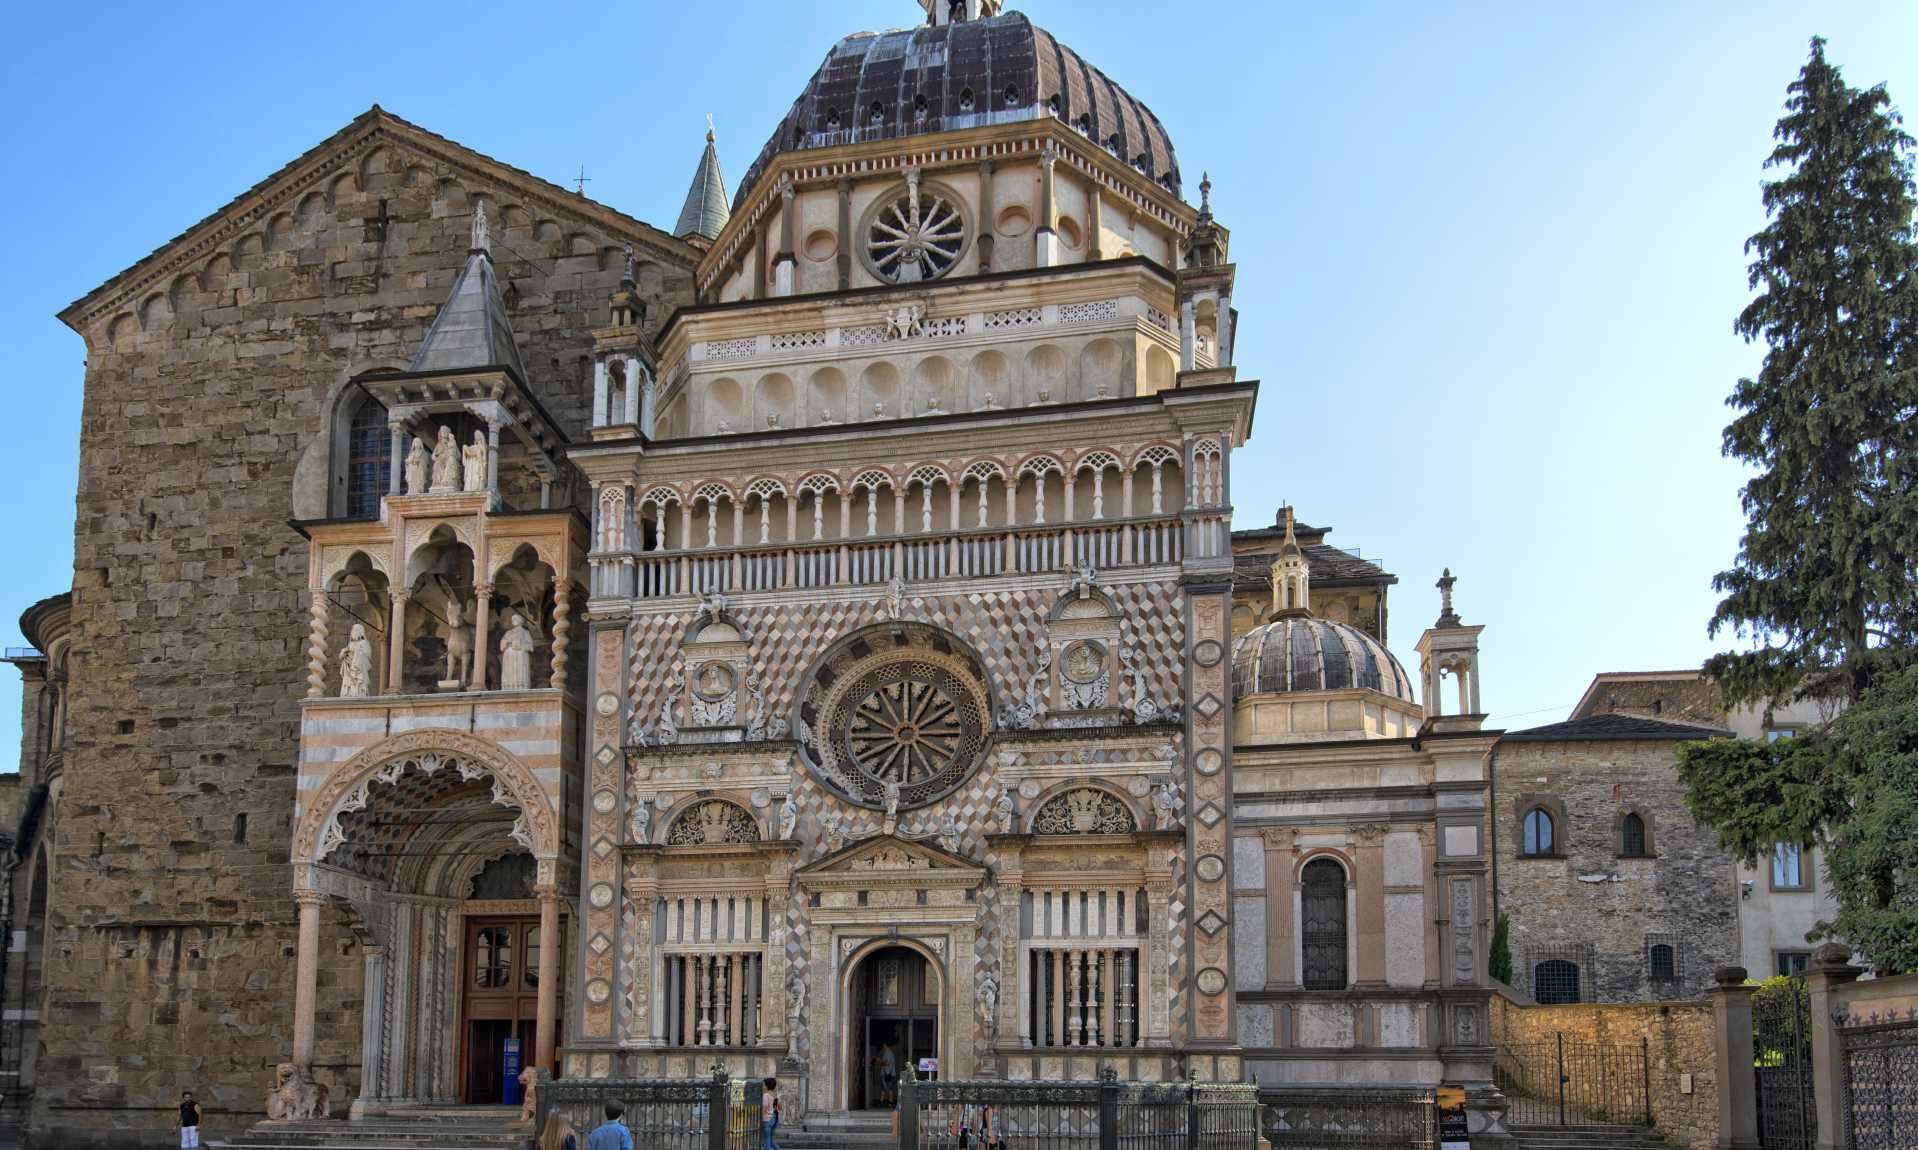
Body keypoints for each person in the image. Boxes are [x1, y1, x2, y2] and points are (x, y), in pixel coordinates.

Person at [761, 1077, 781, 1150]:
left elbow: (764, 1109)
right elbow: (779, 1108)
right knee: (771, 1140)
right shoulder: (776, 1095)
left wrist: (760, 1119)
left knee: (766, 1142)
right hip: (775, 1118)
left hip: (767, 1119)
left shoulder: (765, 1096)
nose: (763, 1086)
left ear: (767, 1086)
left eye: (764, 1085)